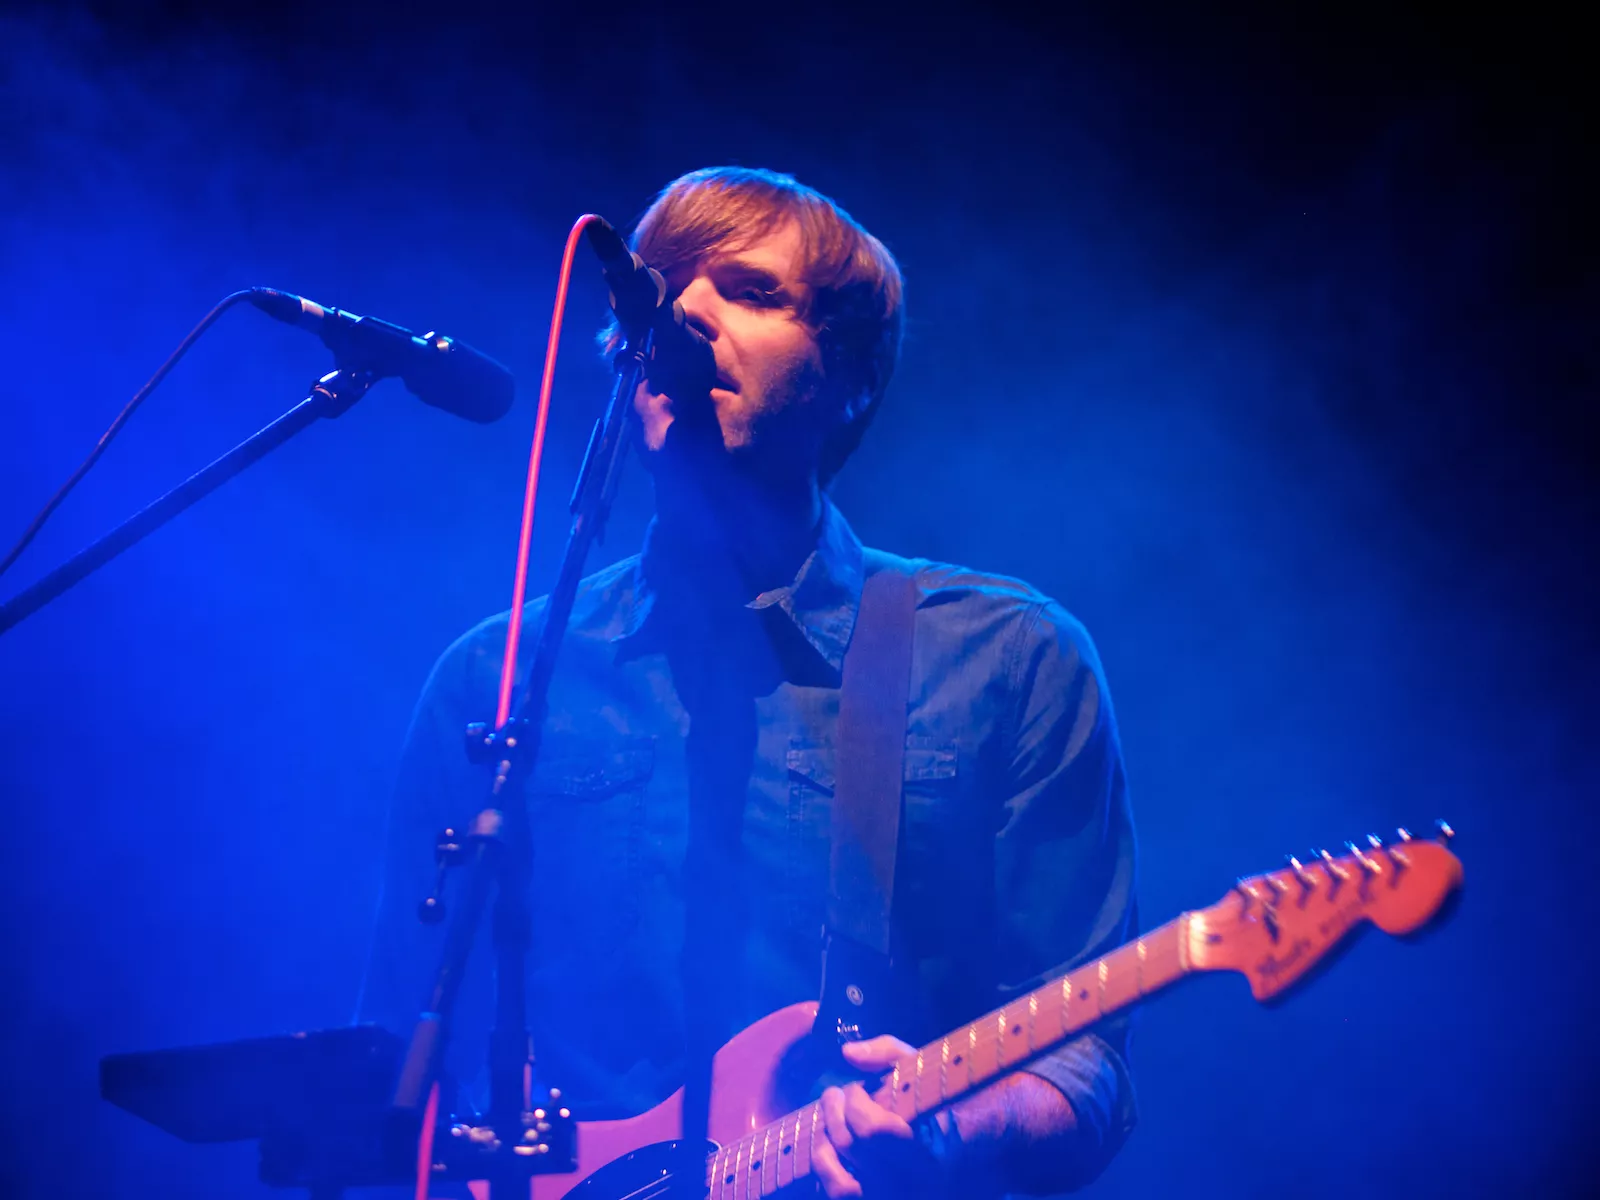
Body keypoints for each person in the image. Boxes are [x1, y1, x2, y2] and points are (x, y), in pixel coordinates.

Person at [361, 166, 1138, 1198]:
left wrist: (946, 1131)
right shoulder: (493, 678)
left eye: (753, 292)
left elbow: (1084, 1066)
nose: (686, 310)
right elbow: (401, 1054)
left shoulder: (1005, 658)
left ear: (850, 379)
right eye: (663, 288)